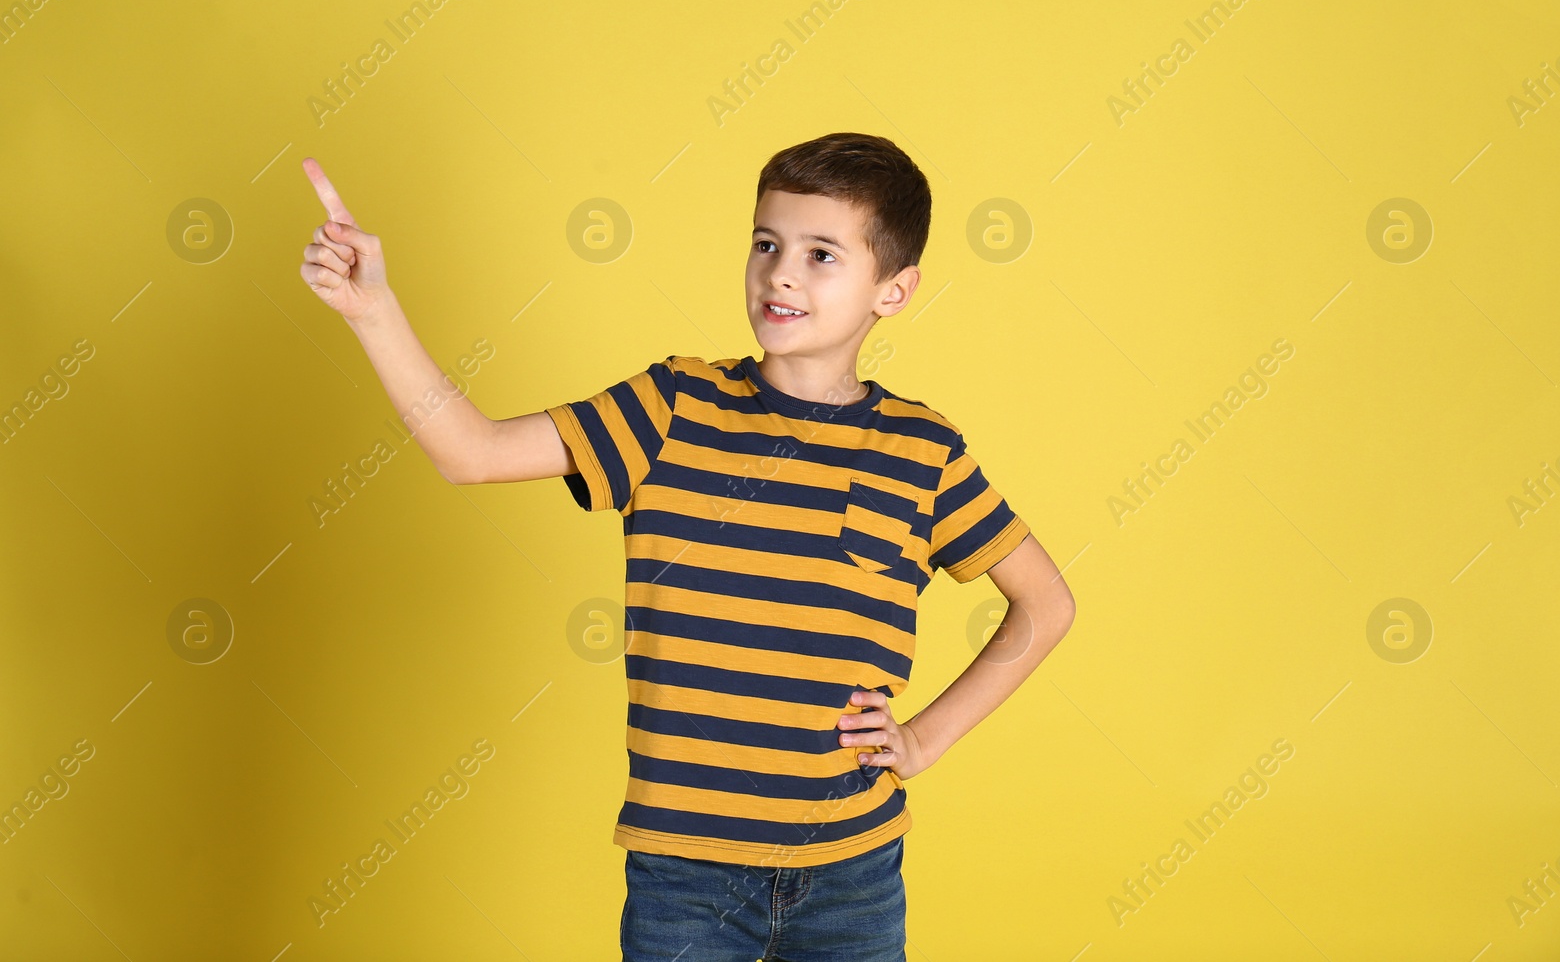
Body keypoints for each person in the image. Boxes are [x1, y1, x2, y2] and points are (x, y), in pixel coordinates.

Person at [298, 132, 1077, 961]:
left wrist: (923, 738)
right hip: (685, 877)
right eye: (767, 243)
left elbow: (1045, 604)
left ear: (893, 289)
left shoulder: (923, 450)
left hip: (853, 873)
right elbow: (473, 452)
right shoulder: (673, 407)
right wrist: (373, 311)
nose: (780, 271)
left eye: (821, 254)